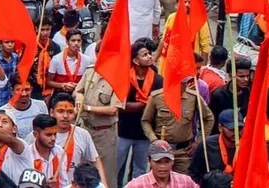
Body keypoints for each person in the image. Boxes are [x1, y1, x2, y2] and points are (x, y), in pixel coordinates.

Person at [141, 78, 214, 173]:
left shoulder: (194, 97)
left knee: (182, 183)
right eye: (182, 83)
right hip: (161, 150)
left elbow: (209, 118)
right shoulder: (157, 97)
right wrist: (154, 140)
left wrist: (198, 141)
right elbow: (146, 121)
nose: (185, 85)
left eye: (187, 82)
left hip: (183, 152)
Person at [117, 39, 164, 182]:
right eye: (144, 55)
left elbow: (158, 104)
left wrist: (141, 105)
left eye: (149, 54)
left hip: (145, 133)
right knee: (116, 167)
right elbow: (120, 105)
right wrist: (145, 104)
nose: (150, 57)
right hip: (123, 131)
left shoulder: (158, 80)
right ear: (136, 60)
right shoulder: (124, 77)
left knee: (140, 169)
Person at [73, 66, 123, 188]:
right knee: (81, 170)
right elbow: (77, 91)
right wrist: (79, 96)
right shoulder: (90, 72)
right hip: (85, 129)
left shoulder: (119, 79)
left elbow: (113, 109)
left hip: (104, 133)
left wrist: (87, 108)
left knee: (106, 172)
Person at [188, 109, 241, 184]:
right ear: (220, 128)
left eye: (240, 128)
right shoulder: (206, 145)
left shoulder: (248, 146)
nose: (236, 132)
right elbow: (194, 173)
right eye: (231, 129)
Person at [124, 140, 199, 188]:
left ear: (173, 161)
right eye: (158, 161)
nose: (163, 166)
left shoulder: (185, 182)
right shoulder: (137, 185)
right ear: (149, 161)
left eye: (167, 162)